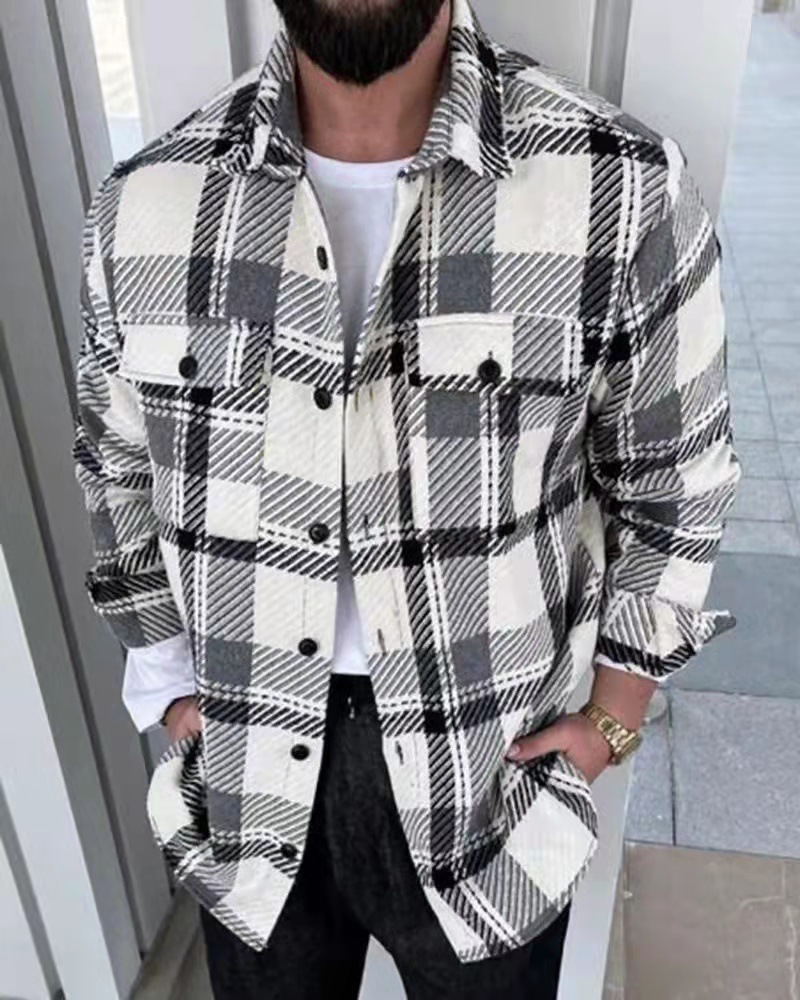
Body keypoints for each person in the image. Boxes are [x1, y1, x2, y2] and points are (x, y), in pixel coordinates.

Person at [70, 0, 742, 996]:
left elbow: (675, 479)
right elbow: (117, 467)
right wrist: (168, 684)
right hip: (246, 777)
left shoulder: (621, 188)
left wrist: (613, 715)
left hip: (492, 779)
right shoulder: (144, 206)